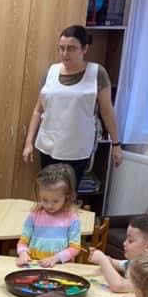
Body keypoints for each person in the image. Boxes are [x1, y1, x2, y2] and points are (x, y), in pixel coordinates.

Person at [22, 25, 122, 189]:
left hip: (77, 149)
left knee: (68, 193)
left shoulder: (97, 73)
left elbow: (107, 111)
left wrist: (116, 145)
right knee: (48, 192)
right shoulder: (51, 72)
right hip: (49, 145)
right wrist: (28, 143)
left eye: (71, 48)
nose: (64, 53)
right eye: (61, 48)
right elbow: (38, 111)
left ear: (84, 49)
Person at [16, 164, 82, 267]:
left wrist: (55, 258)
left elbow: (75, 248)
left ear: (67, 195)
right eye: (44, 200)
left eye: (55, 201)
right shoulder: (34, 215)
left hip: (60, 266)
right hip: (35, 264)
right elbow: (23, 241)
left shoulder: (72, 218)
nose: (49, 205)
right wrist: (23, 253)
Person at [90, 213, 148, 293]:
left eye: (130, 241)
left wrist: (102, 259)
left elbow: (119, 286)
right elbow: (120, 264)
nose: (124, 243)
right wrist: (107, 259)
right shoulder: (138, 260)